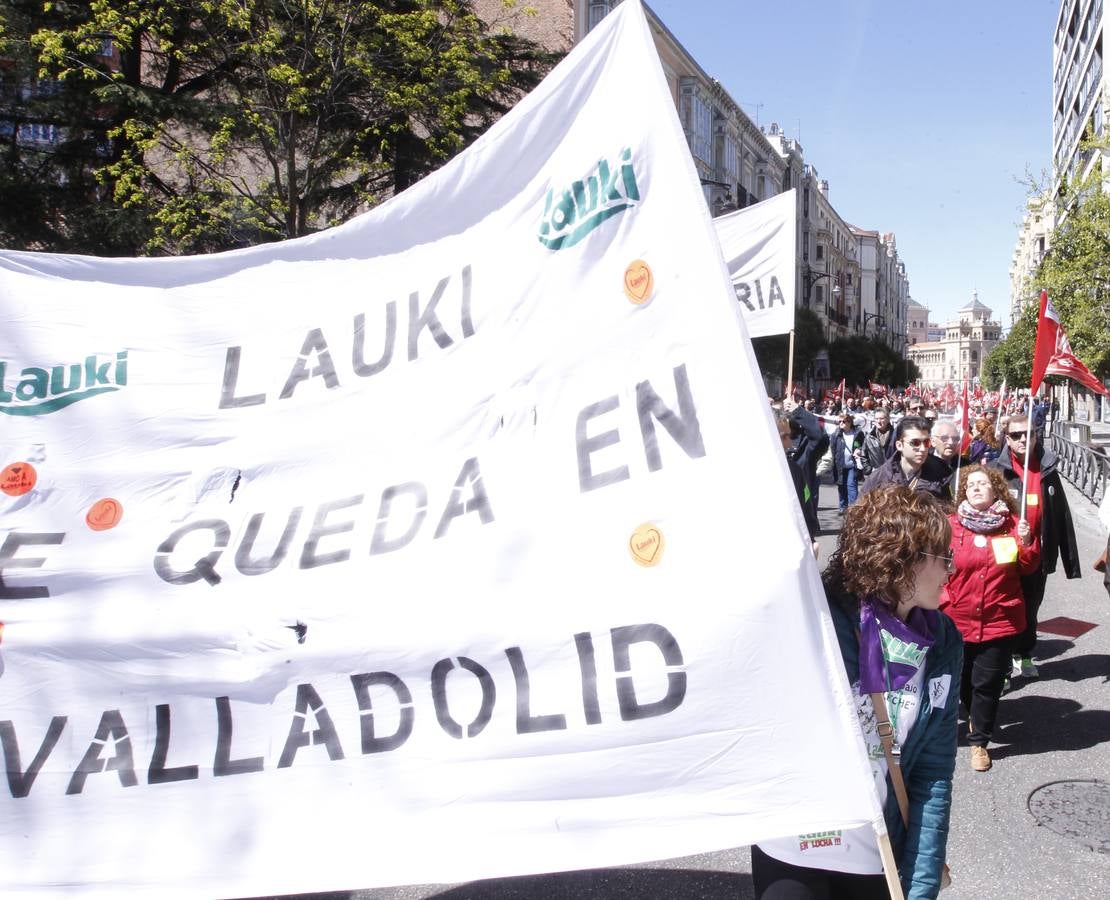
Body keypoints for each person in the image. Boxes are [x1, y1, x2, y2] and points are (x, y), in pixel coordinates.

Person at [752, 486, 961, 900]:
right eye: (944, 558)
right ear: (905, 562)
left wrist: (920, 888)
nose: (952, 570)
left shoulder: (943, 643)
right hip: (792, 844)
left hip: (874, 852)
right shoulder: (818, 621)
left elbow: (932, 775)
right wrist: (781, 590)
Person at [941, 466, 1039, 773]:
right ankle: (975, 716)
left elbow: (1028, 567)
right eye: (971, 485)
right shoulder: (950, 526)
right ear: (963, 492)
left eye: (983, 483)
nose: (977, 488)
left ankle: (979, 742)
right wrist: (943, 600)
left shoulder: (1012, 525)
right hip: (957, 618)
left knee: (988, 682)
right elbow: (937, 567)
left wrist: (1027, 541)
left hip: (999, 617)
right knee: (965, 681)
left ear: (996, 490)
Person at [989, 413, 1081, 678]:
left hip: (1037, 554)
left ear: (1035, 436)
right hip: (1005, 555)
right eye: (1016, 435)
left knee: (1031, 606)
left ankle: (1024, 654)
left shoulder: (1047, 469)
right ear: (1007, 438)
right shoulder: (997, 470)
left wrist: (1068, 560)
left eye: (1027, 434)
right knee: (1005, 609)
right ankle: (1003, 667)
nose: (1022, 439)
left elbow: (1060, 513)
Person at [860, 416, 954, 503]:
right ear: (899, 445)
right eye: (915, 443)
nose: (922, 449)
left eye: (926, 442)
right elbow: (859, 514)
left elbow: (948, 512)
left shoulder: (942, 474)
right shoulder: (879, 478)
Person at [777, 415, 820, 557]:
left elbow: (806, 503)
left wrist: (810, 538)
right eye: (784, 437)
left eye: (790, 436)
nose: (790, 444)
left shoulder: (794, 470)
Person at [831, 413, 865, 514]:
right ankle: (843, 506)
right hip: (840, 464)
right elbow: (832, 449)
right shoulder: (836, 434)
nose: (841, 423)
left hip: (852, 465)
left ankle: (853, 508)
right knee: (841, 486)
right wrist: (832, 463)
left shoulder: (858, 433)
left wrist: (859, 450)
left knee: (851, 486)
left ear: (850, 422)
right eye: (839, 422)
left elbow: (863, 445)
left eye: (843, 421)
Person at [861, 407, 896, 475]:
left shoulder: (896, 436)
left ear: (888, 419)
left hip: (892, 475)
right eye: (876, 419)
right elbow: (863, 456)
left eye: (881, 418)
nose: (878, 421)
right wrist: (869, 470)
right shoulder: (869, 437)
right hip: (875, 475)